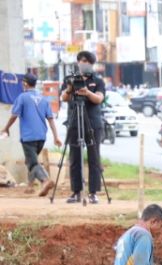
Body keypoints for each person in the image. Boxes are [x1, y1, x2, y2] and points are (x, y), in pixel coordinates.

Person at [2, 74, 61, 196]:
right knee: (30, 161)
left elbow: (14, 115)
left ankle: (45, 180)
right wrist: (56, 137)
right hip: (41, 136)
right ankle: (29, 186)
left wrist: (6, 128)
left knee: (33, 163)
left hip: (28, 136)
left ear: (25, 84)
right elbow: (50, 119)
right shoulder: (44, 99)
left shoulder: (22, 97)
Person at [59, 50, 105, 204]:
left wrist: (87, 93)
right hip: (74, 122)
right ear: (78, 62)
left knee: (94, 157)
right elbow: (63, 98)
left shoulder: (97, 81)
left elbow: (99, 99)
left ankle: (93, 192)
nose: (84, 64)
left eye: (87, 61)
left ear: (91, 64)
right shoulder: (69, 80)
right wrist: (69, 89)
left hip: (92, 123)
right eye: (82, 60)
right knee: (74, 158)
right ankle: (76, 191)